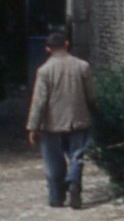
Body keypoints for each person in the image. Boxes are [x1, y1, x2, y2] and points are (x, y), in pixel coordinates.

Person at [25, 29, 97, 209]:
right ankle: (74, 183)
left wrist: (33, 127)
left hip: (51, 124)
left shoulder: (44, 71)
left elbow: (39, 101)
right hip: (78, 119)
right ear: (67, 44)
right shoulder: (82, 66)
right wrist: (95, 112)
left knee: (53, 162)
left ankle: (56, 198)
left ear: (47, 49)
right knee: (77, 156)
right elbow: (91, 95)